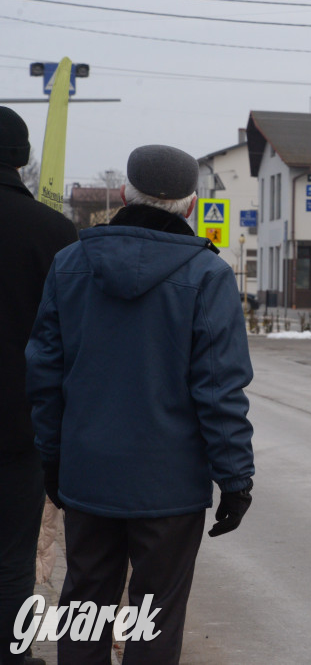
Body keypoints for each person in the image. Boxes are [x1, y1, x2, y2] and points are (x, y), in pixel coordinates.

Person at [25, 145, 255, 665]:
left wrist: (53, 456)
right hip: (169, 488)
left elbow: (44, 373)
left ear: (125, 194)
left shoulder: (71, 264)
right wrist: (235, 478)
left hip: (88, 475)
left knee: (84, 606)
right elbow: (219, 389)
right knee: (155, 618)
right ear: (192, 206)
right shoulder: (208, 277)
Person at [0, 107, 78, 665]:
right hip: (18, 422)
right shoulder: (53, 233)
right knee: (11, 553)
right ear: (23, 158)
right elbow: (69, 341)